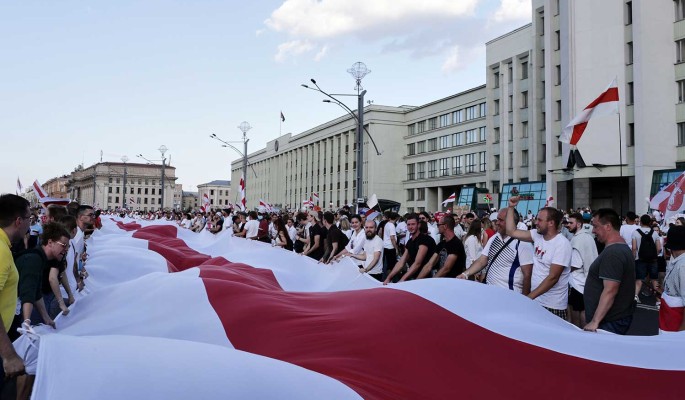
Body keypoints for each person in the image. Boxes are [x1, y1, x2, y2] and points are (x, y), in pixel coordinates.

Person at [505, 198, 572, 319]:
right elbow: (511, 231)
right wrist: (511, 208)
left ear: (551, 223)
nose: (536, 222)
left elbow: (553, 278)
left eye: (540, 220)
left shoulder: (562, 244)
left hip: (552, 306)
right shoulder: (537, 235)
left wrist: (529, 297)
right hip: (536, 301)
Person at [583, 209, 636, 334]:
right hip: (614, 319)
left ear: (608, 226)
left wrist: (595, 321)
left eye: (596, 226)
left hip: (608, 322)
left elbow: (610, 290)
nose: (593, 231)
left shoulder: (613, 253)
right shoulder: (620, 248)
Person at [458, 208, 534, 294]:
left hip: (510, 296)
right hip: (491, 294)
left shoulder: (522, 242)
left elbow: (527, 275)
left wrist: (524, 301)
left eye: (501, 220)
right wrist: (465, 274)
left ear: (511, 221)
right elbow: (482, 260)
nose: (497, 222)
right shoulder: (495, 238)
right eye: (497, 219)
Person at [0, 194, 29, 386]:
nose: (31, 223)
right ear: (18, 221)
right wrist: (9, 354)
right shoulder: (1, 250)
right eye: (30, 218)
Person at [566, 213, 598, 328]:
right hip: (587, 280)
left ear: (579, 224)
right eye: (568, 222)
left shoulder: (578, 239)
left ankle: (578, 335)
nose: (568, 225)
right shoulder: (588, 237)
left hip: (577, 282)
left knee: (576, 314)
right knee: (584, 311)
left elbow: (575, 264)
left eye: (571, 223)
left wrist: (562, 270)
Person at [384, 214, 436, 284]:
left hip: (426, 280)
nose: (411, 227)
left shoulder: (424, 239)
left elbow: (417, 263)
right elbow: (401, 262)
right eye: (408, 225)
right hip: (414, 278)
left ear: (418, 225)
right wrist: (388, 278)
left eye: (413, 224)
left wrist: (402, 280)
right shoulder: (410, 241)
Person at [660, 225, 685, 332]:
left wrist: (681, 332)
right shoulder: (678, 261)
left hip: (675, 323)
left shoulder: (683, 265)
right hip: (669, 318)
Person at [631, 214, 661, 303]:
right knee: (654, 279)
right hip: (653, 260)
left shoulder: (636, 232)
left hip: (640, 259)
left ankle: (635, 297)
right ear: (650, 222)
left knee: (639, 279)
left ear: (640, 222)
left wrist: (634, 258)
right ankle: (658, 301)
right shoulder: (655, 233)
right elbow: (659, 248)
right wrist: (654, 255)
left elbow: (634, 248)